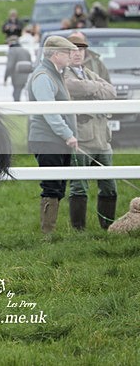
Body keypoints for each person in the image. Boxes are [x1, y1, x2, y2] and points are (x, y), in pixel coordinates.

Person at [63, 32, 118, 230]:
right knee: (79, 186)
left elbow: (111, 91)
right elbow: (73, 88)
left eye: (81, 49)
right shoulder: (63, 74)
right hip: (82, 138)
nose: (78, 53)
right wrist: (96, 88)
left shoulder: (88, 72)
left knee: (109, 185)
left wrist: (91, 87)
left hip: (102, 139)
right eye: (73, 50)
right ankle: (79, 230)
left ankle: (107, 227)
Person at [27, 35, 79, 235]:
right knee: (51, 186)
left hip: (57, 140)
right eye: (67, 53)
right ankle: (47, 234)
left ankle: (50, 231)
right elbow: (49, 112)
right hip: (47, 140)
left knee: (58, 186)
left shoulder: (55, 73)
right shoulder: (43, 76)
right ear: (56, 54)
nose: (71, 56)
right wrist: (67, 134)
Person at [4, 36, 33, 101]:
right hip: (28, 77)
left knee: (16, 94)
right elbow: (30, 64)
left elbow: (9, 66)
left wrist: (5, 78)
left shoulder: (12, 51)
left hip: (17, 77)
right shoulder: (26, 51)